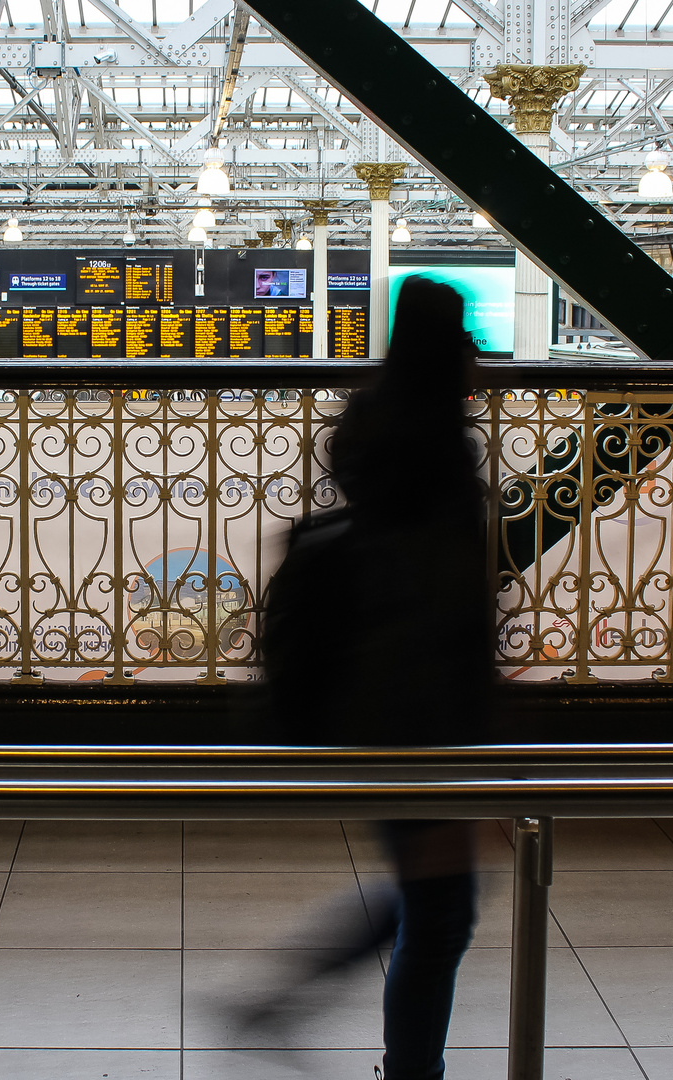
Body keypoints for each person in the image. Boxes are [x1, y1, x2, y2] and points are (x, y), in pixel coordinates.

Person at [252, 277, 496, 1079]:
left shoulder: (372, 435)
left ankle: (287, 1000)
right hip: (418, 714)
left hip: (371, 699)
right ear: (447, 355)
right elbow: (443, 608)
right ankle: (401, 1066)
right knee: (440, 912)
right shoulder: (439, 458)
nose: (480, 364)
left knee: (434, 900)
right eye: (469, 348)